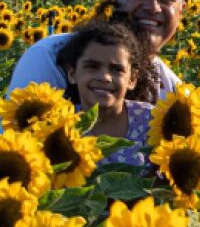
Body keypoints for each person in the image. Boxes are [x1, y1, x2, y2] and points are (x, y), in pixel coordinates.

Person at [7, 0, 185, 101]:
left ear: (181, 10)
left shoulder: (171, 91)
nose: (152, 7)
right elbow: (18, 137)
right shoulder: (51, 57)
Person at [57, 20, 157, 168]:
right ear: (72, 74)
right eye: (92, 66)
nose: (105, 77)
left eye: (116, 69)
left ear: (132, 79)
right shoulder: (61, 127)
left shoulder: (150, 121)